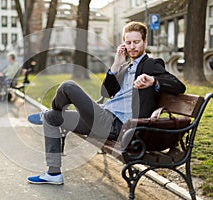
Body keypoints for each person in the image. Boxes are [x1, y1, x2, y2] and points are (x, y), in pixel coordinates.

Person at [26, 21, 186, 185]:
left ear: (144, 42)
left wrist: (153, 80)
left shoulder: (151, 64)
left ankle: (51, 111)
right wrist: (116, 63)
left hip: (118, 126)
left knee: (68, 86)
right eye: (128, 42)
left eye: (136, 42)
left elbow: (178, 86)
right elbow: (105, 93)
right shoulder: (124, 67)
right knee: (52, 119)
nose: (132, 46)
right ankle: (53, 173)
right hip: (104, 116)